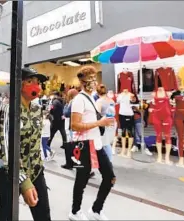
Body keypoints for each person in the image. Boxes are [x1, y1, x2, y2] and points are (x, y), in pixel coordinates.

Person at [0, 67, 51, 221]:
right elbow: (7, 146)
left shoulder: (37, 109)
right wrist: (23, 181)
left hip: (36, 170)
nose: (36, 86)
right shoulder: (9, 109)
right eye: (30, 81)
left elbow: (36, 141)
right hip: (10, 173)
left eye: (38, 82)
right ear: (19, 84)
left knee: (43, 214)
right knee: (6, 214)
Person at [69, 66, 115, 221]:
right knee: (81, 180)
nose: (94, 82)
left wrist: (101, 122)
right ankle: (75, 211)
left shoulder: (93, 98)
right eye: (91, 79)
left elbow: (92, 121)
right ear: (83, 81)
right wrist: (98, 123)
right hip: (83, 145)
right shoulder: (79, 100)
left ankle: (96, 209)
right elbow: (74, 125)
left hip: (96, 143)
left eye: (95, 78)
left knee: (110, 177)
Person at [95, 84, 116, 161]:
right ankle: (107, 161)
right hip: (112, 123)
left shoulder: (99, 102)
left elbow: (97, 114)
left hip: (104, 124)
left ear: (97, 93)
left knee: (105, 144)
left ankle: (108, 161)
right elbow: (113, 113)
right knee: (106, 143)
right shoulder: (111, 100)